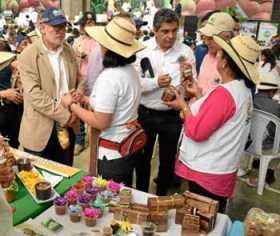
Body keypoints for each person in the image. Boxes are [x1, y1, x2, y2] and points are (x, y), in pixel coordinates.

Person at [165, 35, 259, 212]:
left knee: (201, 219)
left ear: (224, 63)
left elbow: (197, 131)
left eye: (220, 55)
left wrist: (183, 106)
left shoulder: (225, 94)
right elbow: (218, 118)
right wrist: (199, 96)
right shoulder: (242, 90)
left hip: (208, 171)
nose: (217, 57)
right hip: (222, 168)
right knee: (212, 217)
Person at [61, 16, 145, 186]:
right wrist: (85, 99)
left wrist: (72, 105)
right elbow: (116, 104)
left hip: (113, 152)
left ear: (106, 47)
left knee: (110, 197)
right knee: (122, 192)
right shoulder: (129, 71)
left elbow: (101, 122)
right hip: (127, 145)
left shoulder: (110, 78)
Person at [136, 8, 197, 196]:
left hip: (172, 116)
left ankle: (161, 197)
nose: (171, 36)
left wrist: (186, 86)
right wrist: (155, 83)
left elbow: (192, 82)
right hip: (145, 112)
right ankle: (141, 194)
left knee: (168, 160)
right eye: (165, 31)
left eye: (174, 31)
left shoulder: (186, 51)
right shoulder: (141, 49)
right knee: (142, 158)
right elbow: (134, 83)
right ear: (155, 30)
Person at [17, 8, 84, 166]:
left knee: (65, 175)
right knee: (37, 182)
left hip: (68, 125)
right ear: (41, 27)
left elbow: (80, 79)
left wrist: (78, 96)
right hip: (40, 130)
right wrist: (66, 116)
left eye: (63, 27)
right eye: (56, 27)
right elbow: (35, 95)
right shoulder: (28, 55)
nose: (61, 32)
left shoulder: (68, 50)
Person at [73, 11, 97, 156]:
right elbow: (73, 58)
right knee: (80, 109)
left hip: (96, 81)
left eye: (92, 23)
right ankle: (80, 140)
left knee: (94, 109)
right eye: (87, 24)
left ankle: (94, 139)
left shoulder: (101, 41)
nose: (89, 26)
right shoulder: (78, 41)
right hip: (81, 80)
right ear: (82, 27)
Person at [197, 12, 235, 95]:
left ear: (227, 37)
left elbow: (221, 101)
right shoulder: (206, 57)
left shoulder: (234, 65)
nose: (206, 42)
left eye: (211, 38)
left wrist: (197, 94)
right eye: (205, 37)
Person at [0, 50, 23, 148]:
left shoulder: (9, 56)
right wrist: (3, 94)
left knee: (14, 146)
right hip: (2, 110)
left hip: (15, 110)